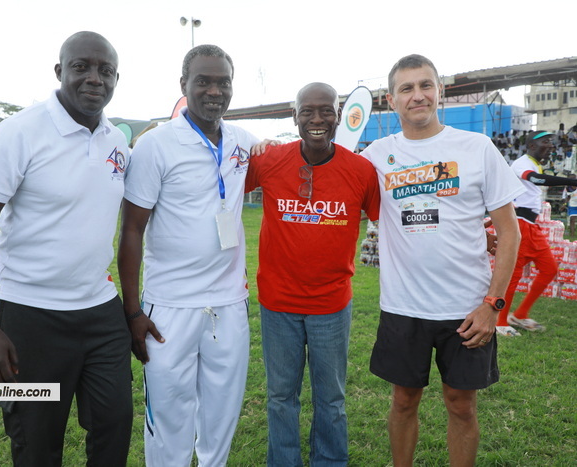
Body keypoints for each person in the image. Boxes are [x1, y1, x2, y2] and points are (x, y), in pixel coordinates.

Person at [0, 31, 132, 466]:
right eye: (81, 66)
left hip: (100, 312)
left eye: (105, 71)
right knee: (37, 445)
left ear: (116, 78)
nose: (94, 78)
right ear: (59, 71)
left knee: (115, 424)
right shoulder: (19, 133)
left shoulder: (116, 141)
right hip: (29, 315)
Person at [361, 54, 523, 466]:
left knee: (461, 404)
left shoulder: (477, 148)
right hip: (403, 306)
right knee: (402, 401)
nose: (418, 95)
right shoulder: (375, 156)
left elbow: (510, 232)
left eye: (425, 85)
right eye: (407, 88)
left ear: (440, 91)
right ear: (391, 99)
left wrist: (492, 307)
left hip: (467, 308)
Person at [118, 44, 261, 466]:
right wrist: (132, 312)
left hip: (228, 304)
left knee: (221, 414)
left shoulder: (241, 141)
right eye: (204, 81)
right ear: (184, 85)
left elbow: (280, 160)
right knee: (169, 415)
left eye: (223, 82)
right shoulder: (156, 145)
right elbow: (131, 230)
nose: (214, 91)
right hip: (169, 307)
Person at [245, 82, 380, 466]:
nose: (317, 119)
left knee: (331, 398)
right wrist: (255, 145)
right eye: (308, 111)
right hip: (278, 304)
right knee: (280, 396)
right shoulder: (271, 161)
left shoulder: (360, 171)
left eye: (326, 111)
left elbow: (390, 223)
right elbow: (219, 184)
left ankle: (330, 461)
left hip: (331, 306)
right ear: (295, 117)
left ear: (339, 116)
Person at [495, 131, 577, 336]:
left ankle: (520, 314)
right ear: (532, 146)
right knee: (512, 276)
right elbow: (537, 180)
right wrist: (572, 182)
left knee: (549, 269)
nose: (551, 146)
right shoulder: (522, 163)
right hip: (521, 225)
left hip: (531, 226)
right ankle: (500, 322)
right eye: (546, 142)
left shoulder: (531, 162)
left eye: (551, 142)